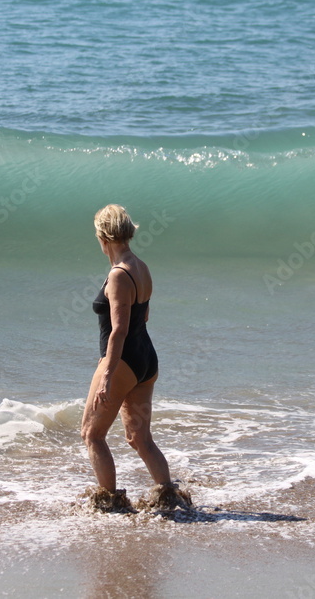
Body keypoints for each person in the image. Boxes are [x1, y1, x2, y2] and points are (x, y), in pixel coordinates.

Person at [81, 204, 188, 512]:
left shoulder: (118, 275)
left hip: (124, 361)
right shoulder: (141, 267)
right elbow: (145, 316)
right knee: (140, 438)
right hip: (146, 358)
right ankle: (171, 500)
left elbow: (119, 331)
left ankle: (109, 504)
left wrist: (108, 373)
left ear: (103, 237)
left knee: (92, 434)